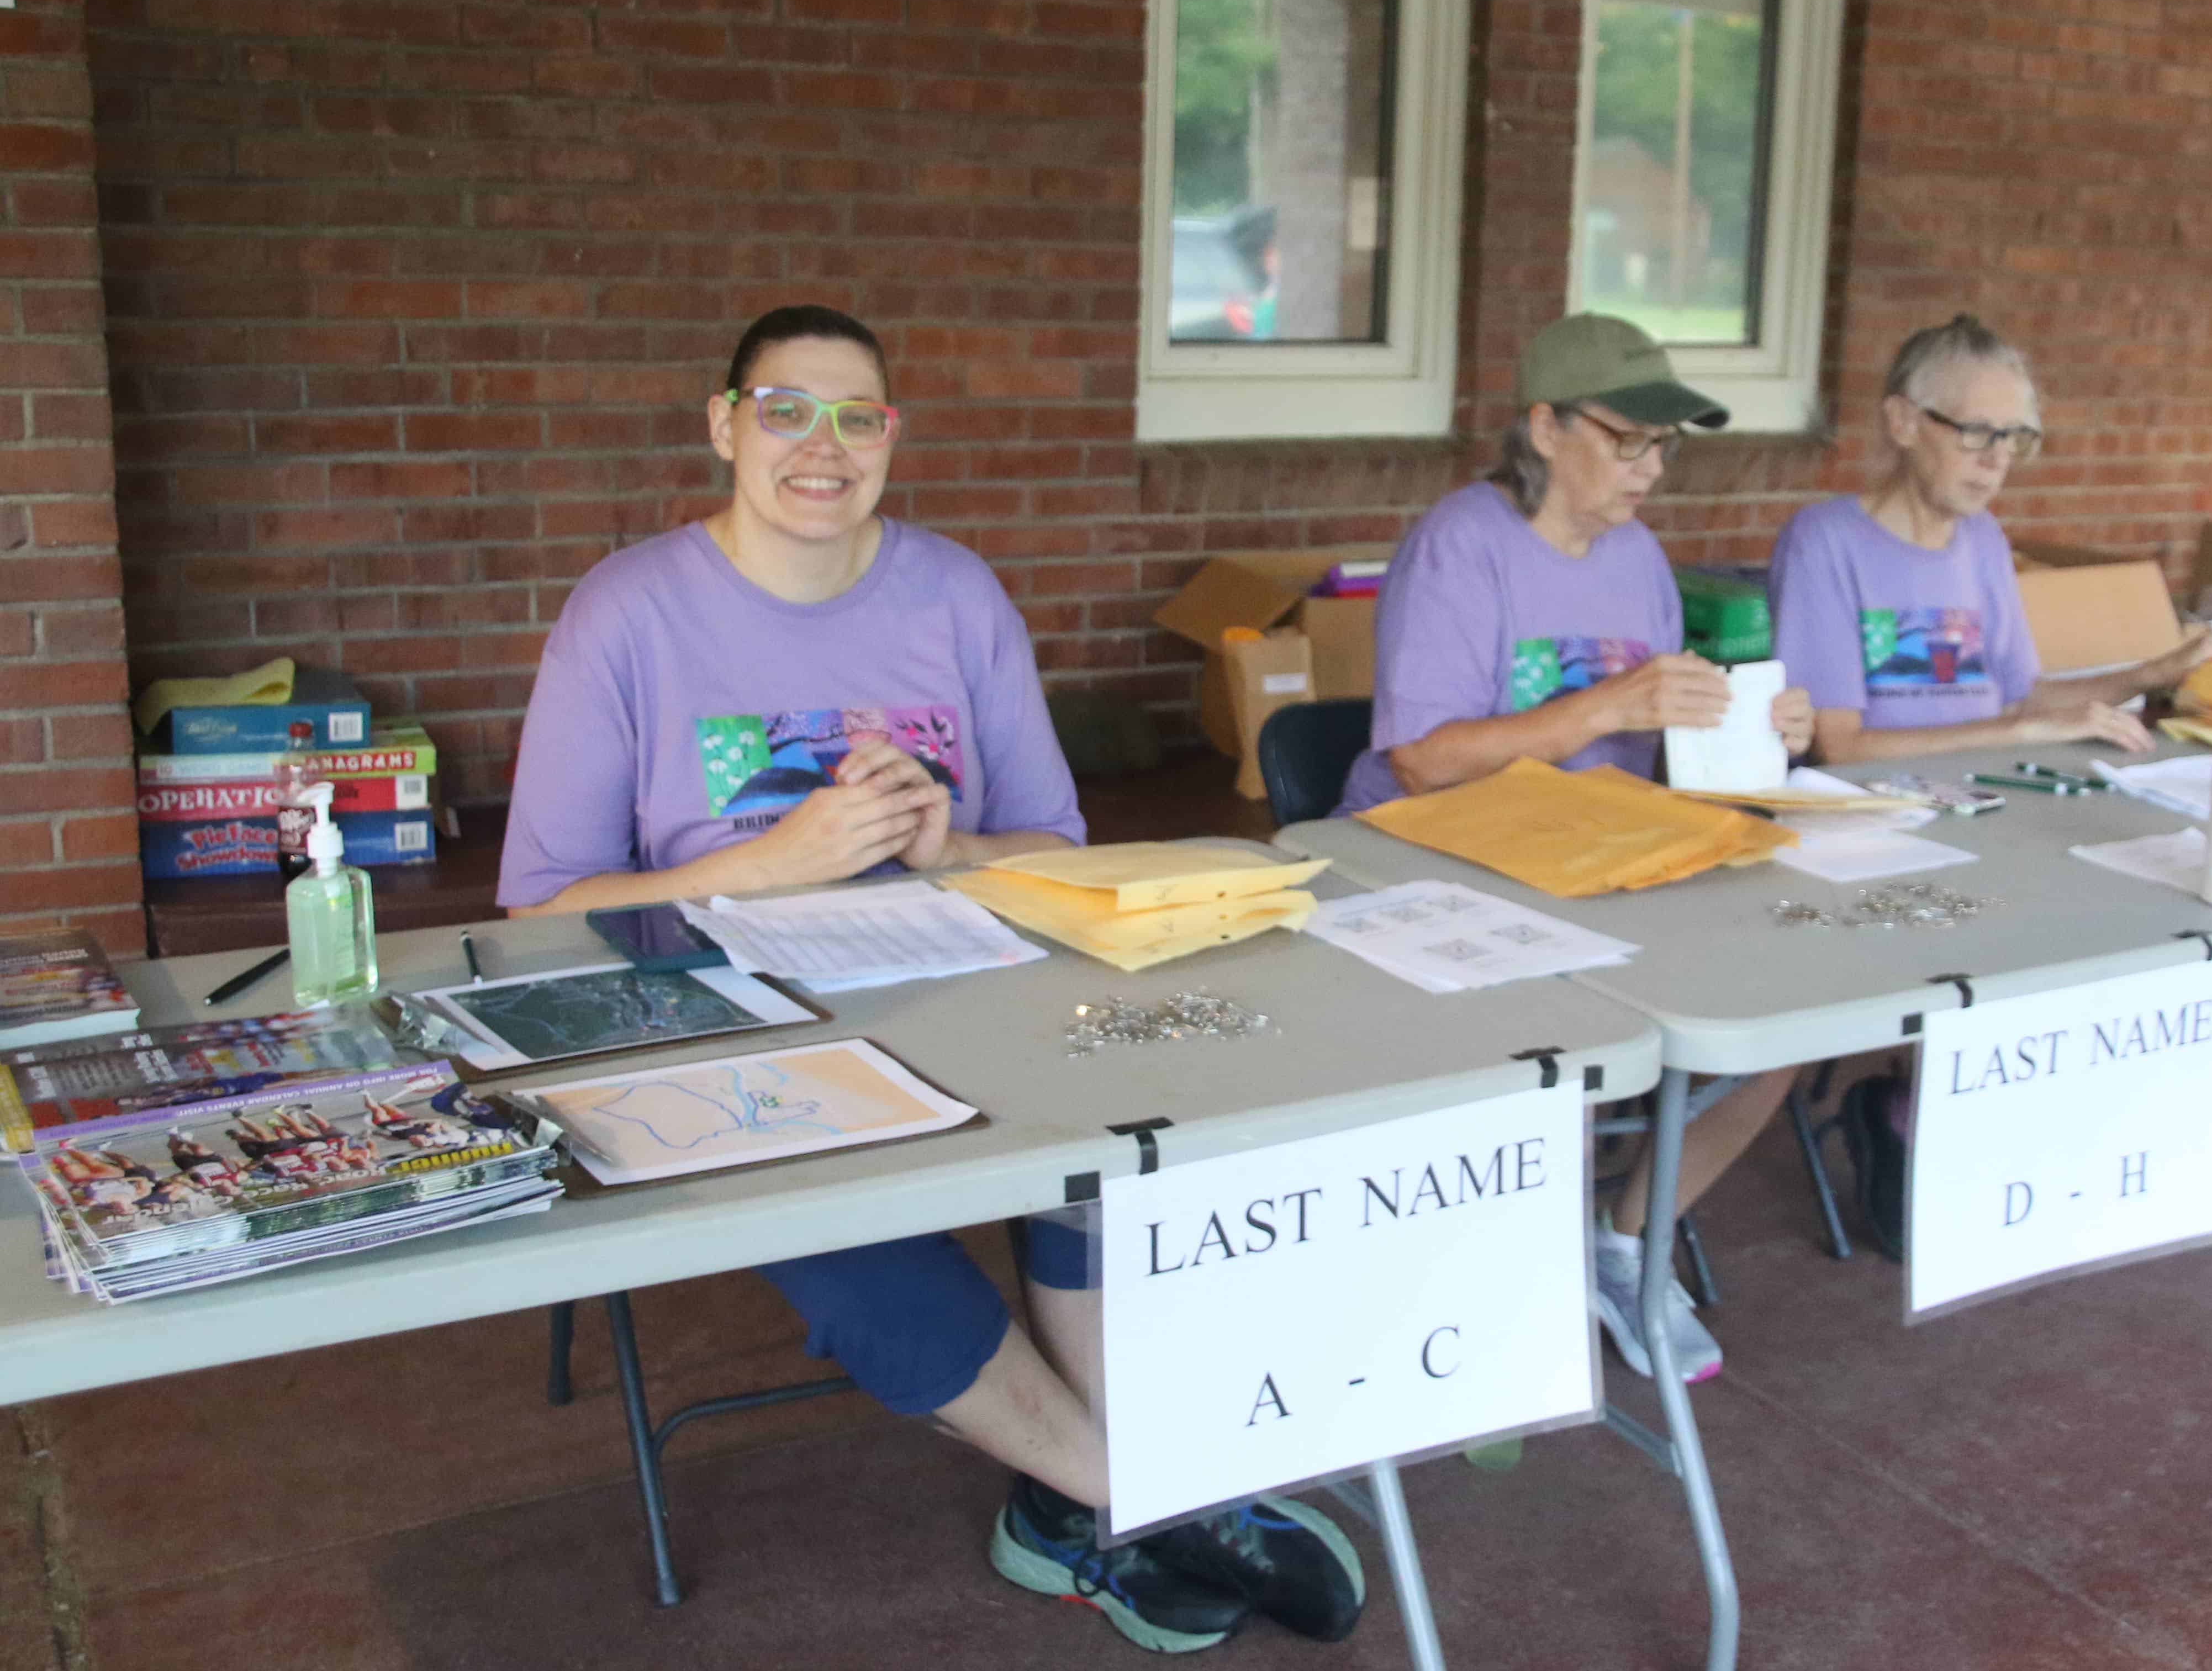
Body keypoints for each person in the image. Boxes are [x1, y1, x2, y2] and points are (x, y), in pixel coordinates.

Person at [497, 305, 1363, 1654]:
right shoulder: (628, 612)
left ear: (891, 439)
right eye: (785, 408)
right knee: (853, 1231)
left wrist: (948, 840)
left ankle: (1079, 1509)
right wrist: (771, 865)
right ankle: (1151, 1497)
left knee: (1129, 1136)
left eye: (858, 416)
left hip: (959, 977)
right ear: (725, 425)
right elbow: (540, 907)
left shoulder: (954, 591)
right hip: (728, 1018)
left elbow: (1059, 850)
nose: (821, 444)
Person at [1335, 311, 1816, 1386]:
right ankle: (1485, 1277)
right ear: (1546, 428)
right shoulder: (1461, 544)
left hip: (1588, 862)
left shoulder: (1637, 554)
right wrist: (1608, 702)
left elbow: (1652, 747)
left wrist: (1758, 725)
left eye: (1665, 446)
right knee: (1559, 1043)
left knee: (1777, 1023)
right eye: (1629, 439)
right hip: (1435, 864)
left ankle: (1622, 1237)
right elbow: (1422, 761)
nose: (1650, 468)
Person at [1769, 313, 2212, 1257]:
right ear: (1903, 422)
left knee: (2127, 895)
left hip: (1985, 803)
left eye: (2017, 438)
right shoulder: (1824, 541)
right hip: (1876, 825)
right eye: (1977, 432)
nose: (1997, 461)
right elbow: (1837, 748)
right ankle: (1910, 1116)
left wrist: (2160, 667)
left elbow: (2025, 695)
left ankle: (2018, 1134)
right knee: (2010, 920)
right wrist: (2025, 726)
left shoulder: (1982, 541)